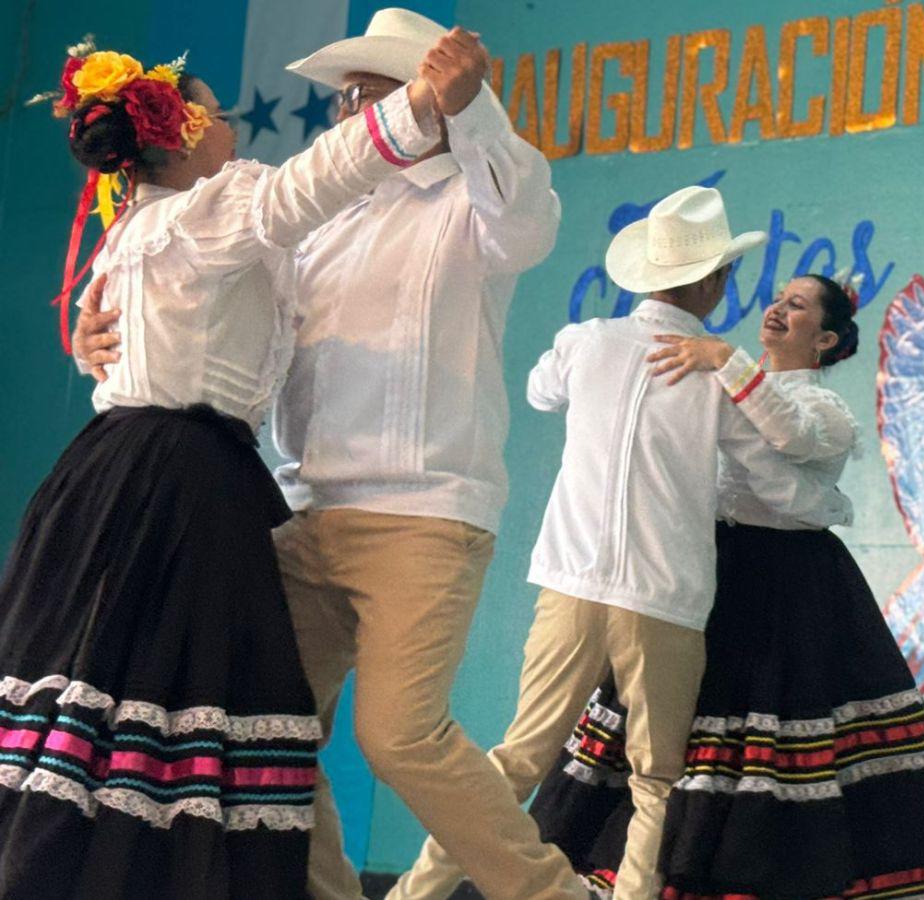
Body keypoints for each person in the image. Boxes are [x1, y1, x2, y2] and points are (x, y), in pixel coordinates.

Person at [76, 9, 573, 899]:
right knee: (267, 732)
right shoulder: (310, 227)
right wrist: (103, 327)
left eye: (365, 95)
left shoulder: (475, 200)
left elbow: (529, 211)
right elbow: (197, 300)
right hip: (301, 510)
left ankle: (552, 893)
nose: (346, 114)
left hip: (423, 514)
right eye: (345, 99)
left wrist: (473, 111)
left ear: (426, 103)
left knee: (399, 736)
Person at [5, 36, 440, 899]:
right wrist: (419, 102)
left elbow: (132, 340)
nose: (238, 132)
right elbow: (310, 182)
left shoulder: (135, 223)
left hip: (109, 476)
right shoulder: (214, 207)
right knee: (177, 694)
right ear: (191, 128)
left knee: (111, 705)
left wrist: (93, 349)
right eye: (226, 116)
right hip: (180, 484)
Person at [396, 187, 854, 900]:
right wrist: (833, 505)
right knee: (656, 778)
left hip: (572, 581)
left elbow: (542, 389)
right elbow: (778, 480)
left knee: (516, 758)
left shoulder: (587, 344)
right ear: (711, 281)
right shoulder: (710, 380)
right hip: (664, 598)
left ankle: (412, 895)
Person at [507, 276, 924, 899]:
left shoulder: (823, 410)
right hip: (708, 574)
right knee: (666, 744)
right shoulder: (717, 384)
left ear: (824, 338)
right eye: (778, 298)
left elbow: (790, 438)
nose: (777, 308)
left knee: (765, 746)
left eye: (797, 306)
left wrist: (726, 361)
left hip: (787, 586)